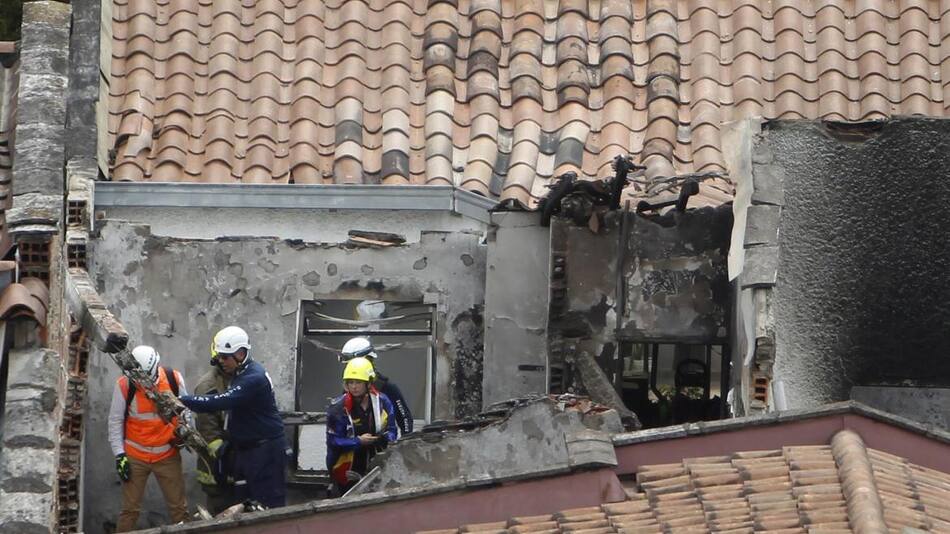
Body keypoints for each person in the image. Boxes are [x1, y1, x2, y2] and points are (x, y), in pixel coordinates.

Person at [178, 326, 288, 508]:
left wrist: (182, 400)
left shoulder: (253, 378)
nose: (221, 362)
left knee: (267, 505)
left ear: (240, 353)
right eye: (219, 357)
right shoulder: (241, 373)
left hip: (264, 451)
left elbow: (222, 401)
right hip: (249, 450)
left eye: (225, 357)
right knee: (246, 503)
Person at [108, 345, 188, 532]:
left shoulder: (173, 379)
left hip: (167, 454)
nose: (141, 382)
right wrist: (120, 455)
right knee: (129, 510)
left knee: (179, 509)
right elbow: (115, 421)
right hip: (135, 456)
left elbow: (186, 411)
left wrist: (184, 433)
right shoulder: (125, 385)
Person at [326, 357, 398, 496]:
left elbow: (392, 431)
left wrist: (383, 439)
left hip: (376, 464)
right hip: (347, 467)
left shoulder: (382, 402)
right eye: (350, 382)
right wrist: (358, 441)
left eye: (358, 382)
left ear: (369, 383)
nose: (354, 386)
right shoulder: (338, 408)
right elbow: (333, 441)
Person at [192, 330, 241, 514]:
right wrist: (228, 459)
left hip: (240, 468)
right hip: (218, 472)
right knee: (221, 517)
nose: (225, 362)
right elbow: (209, 432)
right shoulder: (208, 386)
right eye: (223, 358)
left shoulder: (242, 379)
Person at [339, 337, 414, 436]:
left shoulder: (387, 387)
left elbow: (404, 417)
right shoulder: (349, 389)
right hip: (356, 442)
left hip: (383, 442)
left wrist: (406, 440)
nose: (354, 386)